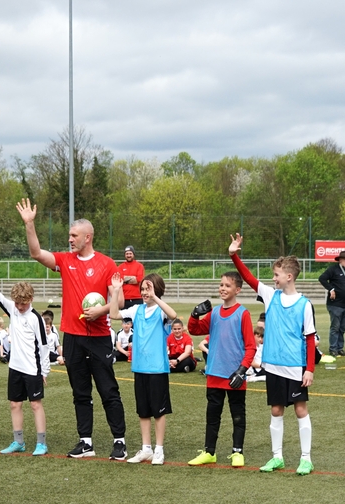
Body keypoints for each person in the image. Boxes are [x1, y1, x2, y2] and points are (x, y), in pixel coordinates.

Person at [17, 198, 128, 460]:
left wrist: (101, 311)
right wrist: (29, 224)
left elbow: (120, 302)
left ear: (87, 237)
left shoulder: (107, 264)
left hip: (99, 337)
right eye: (69, 235)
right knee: (80, 392)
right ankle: (85, 442)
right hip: (73, 338)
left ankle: (119, 441)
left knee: (108, 391)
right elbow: (36, 253)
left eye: (74, 235)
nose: (70, 239)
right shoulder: (65, 260)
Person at [229, 234, 317, 475]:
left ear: (289, 276)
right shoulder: (270, 296)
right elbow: (248, 278)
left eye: (277, 274)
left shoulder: (304, 304)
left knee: (300, 410)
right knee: (276, 410)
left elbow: (310, 338)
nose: (273, 278)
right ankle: (277, 457)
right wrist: (234, 255)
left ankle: (306, 459)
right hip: (274, 367)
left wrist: (309, 369)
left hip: (296, 367)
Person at [186, 271, 257, 468]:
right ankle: (209, 452)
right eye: (221, 285)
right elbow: (195, 329)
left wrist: (242, 370)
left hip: (235, 375)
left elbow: (251, 347)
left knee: (238, 415)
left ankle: (237, 452)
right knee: (212, 415)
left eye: (227, 285)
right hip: (214, 373)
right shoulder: (215, 312)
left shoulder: (243, 314)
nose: (223, 288)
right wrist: (194, 315)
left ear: (238, 290)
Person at [110, 273, 176, 464]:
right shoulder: (137, 309)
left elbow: (173, 315)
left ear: (157, 290)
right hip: (140, 368)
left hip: (157, 369)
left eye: (149, 289)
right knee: (143, 411)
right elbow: (114, 314)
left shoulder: (161, 311)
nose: (145, 292)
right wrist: (116, 291)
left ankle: (159, 450)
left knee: (159, 411)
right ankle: (146, 448)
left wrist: (155, 297)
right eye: (143, 289)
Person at [0, 263, 51, 456]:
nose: (20, 307)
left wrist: (44, 371)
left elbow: (44, 346)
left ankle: (41, 443)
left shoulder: (36, 318)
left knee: (35, 404)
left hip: (32, 369)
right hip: (15, 367)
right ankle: (18, 442)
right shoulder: (12, 308)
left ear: (30, 300)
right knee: (15, 404)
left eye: (23, 304)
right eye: (17, 303)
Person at [318, 250, 345, 356]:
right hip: (335, 304)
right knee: (335, 327)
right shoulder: (333, 269)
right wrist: (331, 289)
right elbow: (322, 278)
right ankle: (333, 348)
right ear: (340, 260)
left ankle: (340, 348)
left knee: (342, 328)